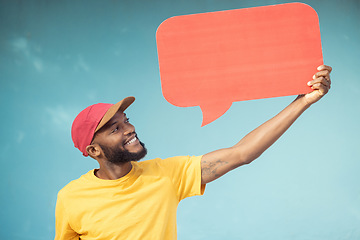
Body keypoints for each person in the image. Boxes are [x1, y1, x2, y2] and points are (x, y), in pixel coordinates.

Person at [55, 65, 332, 240]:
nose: (129, 129)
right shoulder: (71, 197)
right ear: (93, 150)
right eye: (115, 129)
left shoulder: (166, 174)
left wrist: (303, 101)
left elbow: (241, 153)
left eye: (126, 120)